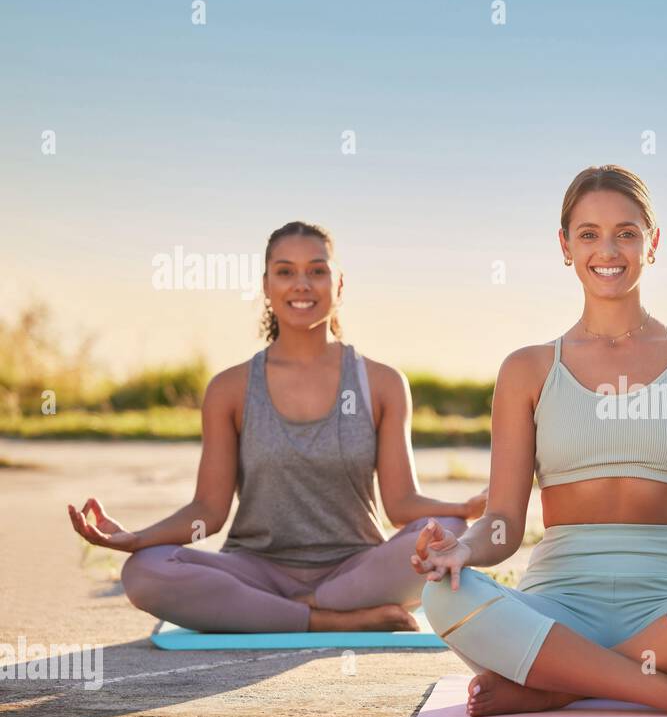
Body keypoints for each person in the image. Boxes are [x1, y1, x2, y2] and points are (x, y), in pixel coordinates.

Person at [414, 165, 667, 717]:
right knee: (444, 594)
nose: (609, 250)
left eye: (626, 232)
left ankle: (558, 687)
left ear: (653, 244)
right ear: (565, 246)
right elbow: (502, 523)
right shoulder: (527, 368)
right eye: (589, 233)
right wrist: (464, 550)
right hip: (555, 607)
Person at [68, 221, 485, 633]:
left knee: (445, 535)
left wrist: (462, 510)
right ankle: (325, 620)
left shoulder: (382, 383)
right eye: (285, 271)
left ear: (339, 284)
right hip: (255, 570)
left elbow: (402, 504)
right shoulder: (229, 388)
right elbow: (207, 513)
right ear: (266, 286)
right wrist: (135, 538)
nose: (301, 284)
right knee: (144, 571)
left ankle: (287, 609)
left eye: (317, 270)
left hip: (356, 572)